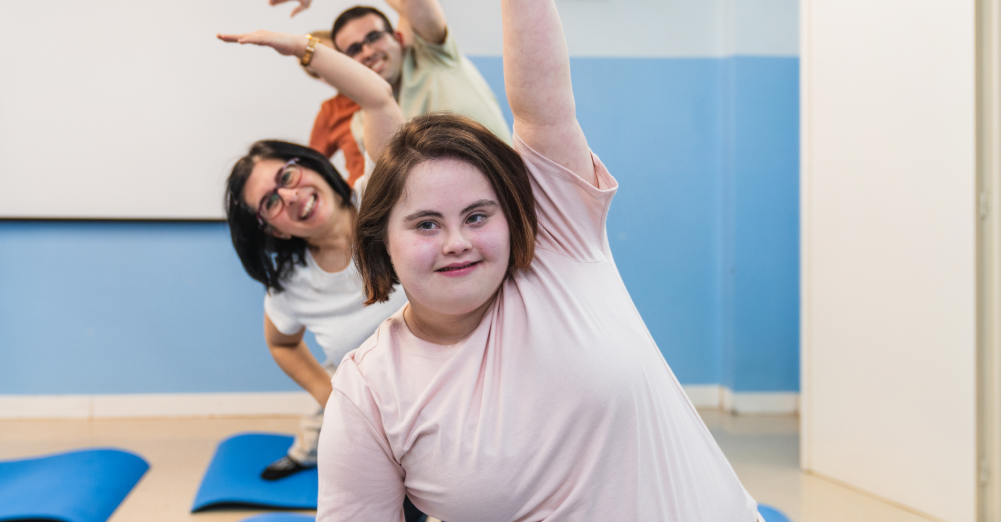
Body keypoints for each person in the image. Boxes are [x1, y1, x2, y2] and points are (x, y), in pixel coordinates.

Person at [313, 0, 763, 519]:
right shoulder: (368, 388)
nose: (457, 241)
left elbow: (541, 103)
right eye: (426, 224)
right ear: (381, 240)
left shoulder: (559, 248)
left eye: (478, 216)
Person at [217, 25, 406, 481]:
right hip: (386, 437)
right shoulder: (291, 283)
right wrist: (333, 400)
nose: (291, 196)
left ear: (310, 163)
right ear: (273, 230)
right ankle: (309, 450)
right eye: (270, 203)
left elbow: (378, 98)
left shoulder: (381, 198)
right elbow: (281, 342)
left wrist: (302, 49)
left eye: (286, 176)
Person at [270, 0, 510, 154]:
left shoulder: (434, 57)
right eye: (353, 50)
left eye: (374, 37)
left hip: (521, 197)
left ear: (398, 36)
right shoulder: (364, 123)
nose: (368, 52)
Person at [301, 31, 367, 186]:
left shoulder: (389, 76)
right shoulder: (331, 111)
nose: (329, 69)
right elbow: (310, 165)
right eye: (317, 70)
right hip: (369, 198)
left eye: (331, 56)